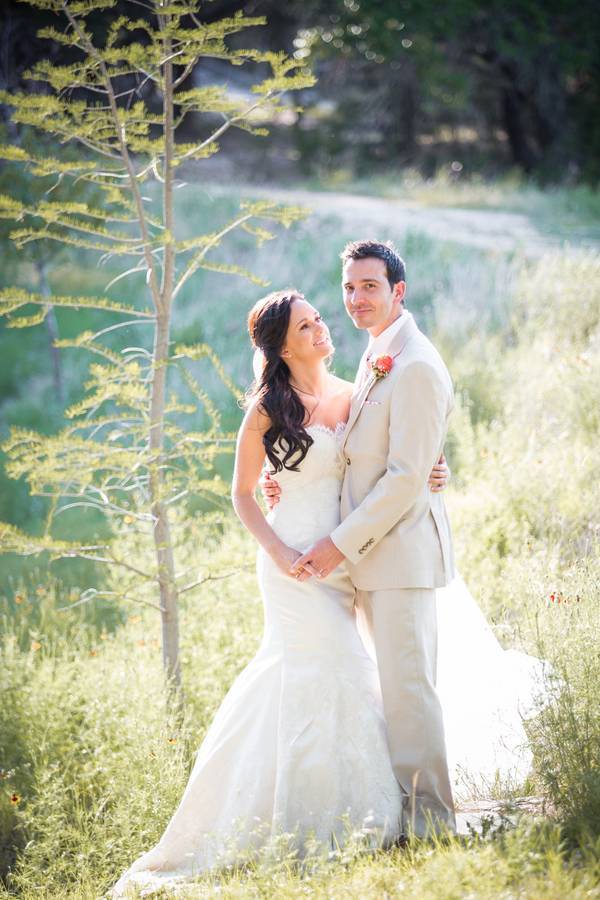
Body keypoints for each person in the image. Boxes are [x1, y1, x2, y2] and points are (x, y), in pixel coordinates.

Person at [110, 286, 450, 897]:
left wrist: (431, 469)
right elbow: (242, 493)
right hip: (292, 562)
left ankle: (370, 805)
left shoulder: (354, 392)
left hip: (345, 556)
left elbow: (388, 458)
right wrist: (281, 552)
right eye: (306, 327)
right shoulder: (268, 408)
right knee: (315, 667)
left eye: (318, 319)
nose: (322, 329)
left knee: (349, 671)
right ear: (283, 347)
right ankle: (306, 814)